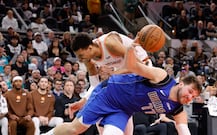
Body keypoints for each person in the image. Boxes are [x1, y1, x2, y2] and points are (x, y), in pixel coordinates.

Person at [42, 46, 202, 135]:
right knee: (74, 129)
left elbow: (183, 130)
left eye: (193, 97)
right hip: (108, 95)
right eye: (190, 92)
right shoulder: (162, 77)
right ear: (181, 84)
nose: (190, 98)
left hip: (123, 110)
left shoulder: (177, 109)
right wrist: (131, 49)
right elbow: (134, 67)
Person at [67, 31, 151, 135]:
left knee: (118, 99)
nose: (79, 59)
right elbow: (95, 85)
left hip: (141, 63)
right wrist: (83, 101)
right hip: (123, 70)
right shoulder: (88, 59)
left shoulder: (110, 44)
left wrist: (114, 74)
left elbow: (137, 66)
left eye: (81, 55)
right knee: (104, 100)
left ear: (89, 48)